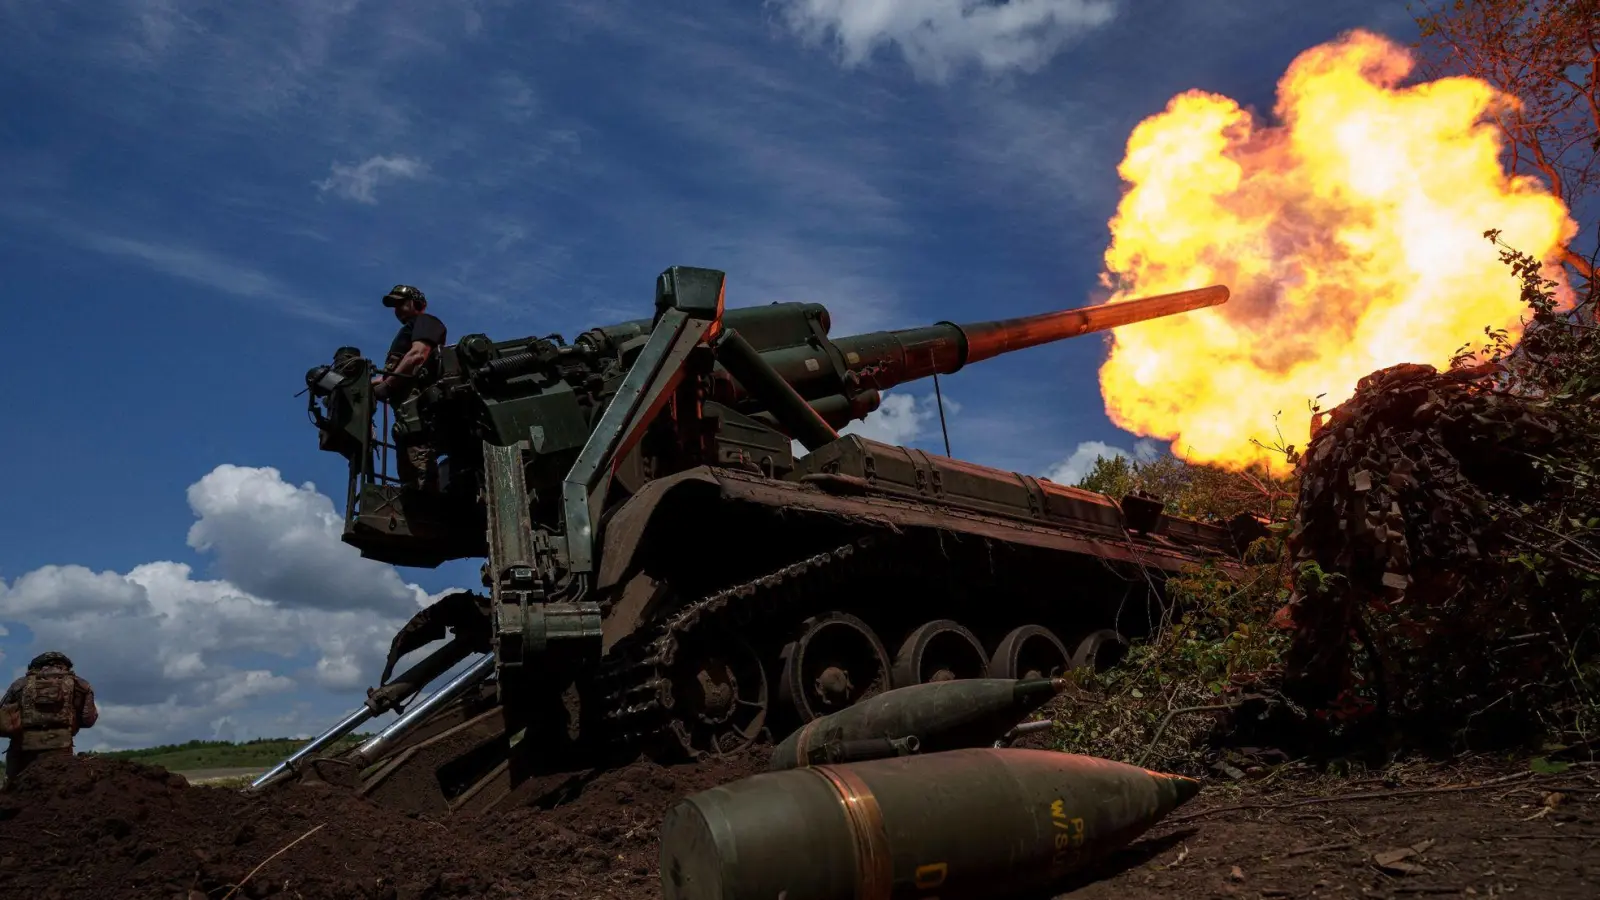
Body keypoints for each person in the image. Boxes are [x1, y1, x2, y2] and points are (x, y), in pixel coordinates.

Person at [374, 284, 448, 491]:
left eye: (401, 303)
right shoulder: (407, 330)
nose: (397, 309)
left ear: (417, 303)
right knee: (409, 475)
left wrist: (387, 384)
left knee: (421, 472)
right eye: (394, 306)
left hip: (418, 413)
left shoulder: (426, 322)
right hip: (406, 417)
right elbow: (394, 375)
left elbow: (417, 356)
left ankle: (429, 507)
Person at [0, 651, 98, 788]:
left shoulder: (19, 684)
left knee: (12, 790)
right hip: (61, 749)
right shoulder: (81, 685)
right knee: (58, 792)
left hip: (22, 749)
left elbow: (2, 719)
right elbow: (88, 720)